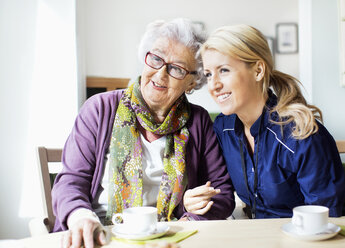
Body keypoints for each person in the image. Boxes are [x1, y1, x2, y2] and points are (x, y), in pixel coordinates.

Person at [52, 18, 235, 248]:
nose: (160, 74)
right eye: (156, 59)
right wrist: (80, 217)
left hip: (169, 239)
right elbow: (70, 181)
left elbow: (222, 193)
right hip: (100, 237)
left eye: (176, 68)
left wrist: (190, 218)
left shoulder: (198, 121)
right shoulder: (99, 108)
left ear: (192, 82)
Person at [185, 24, 345, 219]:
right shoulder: (222, 128)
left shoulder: (302, 136)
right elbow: (215, 187)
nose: (214, 85)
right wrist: (191, 199)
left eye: (224, 70)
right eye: (209, 74)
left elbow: (326, 220)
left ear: (258, 70)